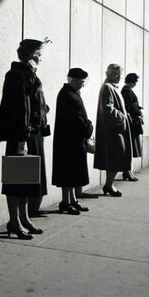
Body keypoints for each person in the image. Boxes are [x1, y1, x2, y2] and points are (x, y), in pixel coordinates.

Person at [0, 38, 50, 239]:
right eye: (39, 53)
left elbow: (31, 104)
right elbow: (19, 108)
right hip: (21, 134)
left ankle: (23, 218)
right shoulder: (16, 75)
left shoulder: (28, 74)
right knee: (16, 179)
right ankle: (15, 221)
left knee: (27, 178)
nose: (41, 57)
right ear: (31, 54)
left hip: (31, 133)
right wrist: (22, 137)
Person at [52, 68, 93, 215]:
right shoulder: (69, 95)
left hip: (70, 140)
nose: (83, 84)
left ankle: (71, 200)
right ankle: (66, 202)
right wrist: (89, 127)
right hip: (70, 141)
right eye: (81, 81)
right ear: (74, 80)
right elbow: (77, 120)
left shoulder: (69, 93)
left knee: (71, 173)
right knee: (69, 173)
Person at [94, 64, 132, 197]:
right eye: (119, 75)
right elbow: (108, 108)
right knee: (116, 157)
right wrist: (122, 117)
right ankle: (109, 185)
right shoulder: (108, 88)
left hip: (115, 130)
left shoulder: (111, 87)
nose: (120, 78)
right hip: (114, 131)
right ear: (111, 74)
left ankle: (109, 184)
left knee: (115, 158)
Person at [121, 73, 144, 181]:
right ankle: (127, 171)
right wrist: (139, 112)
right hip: (131, 122)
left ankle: (128, 171)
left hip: (132, 121)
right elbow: (129, 107)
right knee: (130, 147)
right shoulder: (126, 91)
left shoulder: (127, 90)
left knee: (131, 147)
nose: (135, 84)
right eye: (134, 82)